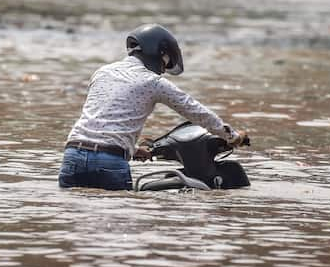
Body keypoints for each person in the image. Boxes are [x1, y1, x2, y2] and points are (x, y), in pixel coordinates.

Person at [58, 24, 248, 191]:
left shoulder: (102, 72)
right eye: (165, 62)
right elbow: (196, 111)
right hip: (110, 161)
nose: (164, 69)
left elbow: (102, 120)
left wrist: (131, 149)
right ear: (159, 52)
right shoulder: (153, 82)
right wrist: (232, 136)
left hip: (72, 156)